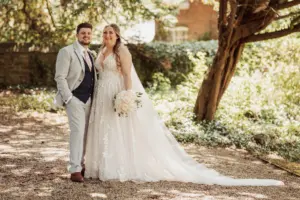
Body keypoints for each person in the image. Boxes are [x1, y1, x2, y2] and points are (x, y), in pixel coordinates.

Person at [84, 23, 284, 186]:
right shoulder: (101, 51)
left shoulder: (122, 52)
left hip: (116, 93)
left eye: (111, 32)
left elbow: (127, 76)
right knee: (104, 127)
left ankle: (117, 166)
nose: (107, 35)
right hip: (102, 94)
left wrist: (126, 96)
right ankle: (101, 164)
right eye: (105, 32)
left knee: (117, 128)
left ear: (117, 35)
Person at [54, 22, 97, 182]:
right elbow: (60, 77)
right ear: (77, 35)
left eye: (89, 33)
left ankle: (82, 164)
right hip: (75, 99)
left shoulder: (91, 54)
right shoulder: (66, 52)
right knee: (77, 133)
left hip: (89, 100)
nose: (86, 35)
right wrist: (69, 98)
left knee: (86, 134)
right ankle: (74, 170)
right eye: (83, 33)